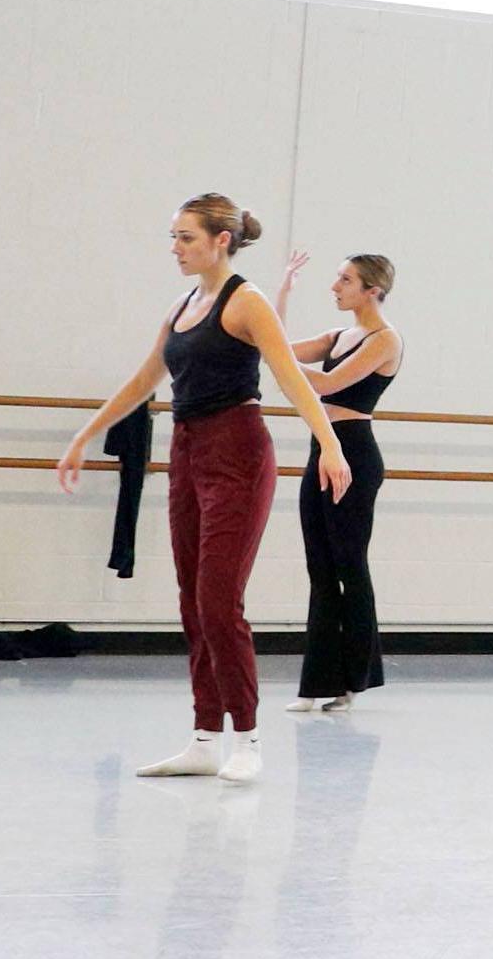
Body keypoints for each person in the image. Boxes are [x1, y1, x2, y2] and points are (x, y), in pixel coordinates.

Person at [57, 195, 351, 785]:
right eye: (173, 237)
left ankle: (247, 737)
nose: (175, 248)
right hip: (188, 451)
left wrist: (332, 444)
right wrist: (84, 435)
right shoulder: (184, 303)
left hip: (239, 452)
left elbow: (292, 380)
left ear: (222, 240)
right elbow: (146, 378)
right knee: (192, 600)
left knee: (220, 600)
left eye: (186, 238)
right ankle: (203, 738)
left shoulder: (248, 302)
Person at [276, 251, 402, 713]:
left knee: (350, 564)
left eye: (345, 280)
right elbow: (281, 348)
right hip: (321, 448)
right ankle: (316, 684)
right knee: (320, 567)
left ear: (372, 290)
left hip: (355, 453)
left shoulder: (385, 340)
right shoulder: (338, 335)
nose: (335, 286)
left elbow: (326, 385)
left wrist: (279, 360)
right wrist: (284, 290)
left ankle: (354, 681)